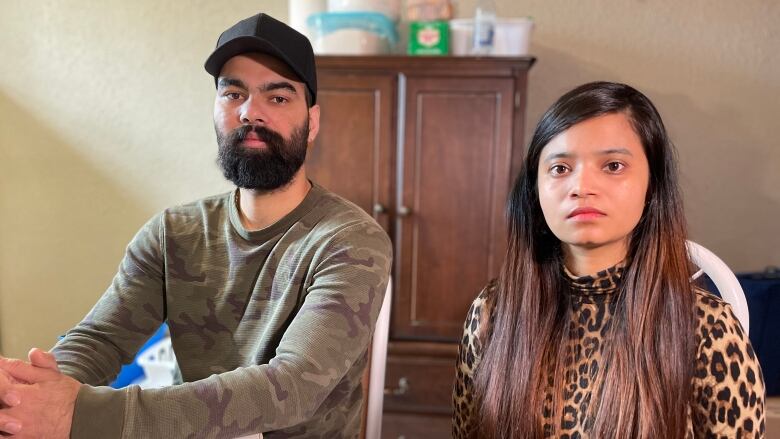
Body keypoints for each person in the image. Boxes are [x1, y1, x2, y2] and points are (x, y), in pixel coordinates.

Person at [0, 12, 392, 438]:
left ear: (312, 121)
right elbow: (101, 339)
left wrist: (81, 413)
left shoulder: (350, 240)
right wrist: (37, 392)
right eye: (233, 94)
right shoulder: (174, 232)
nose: (250, 113)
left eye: (277, 98)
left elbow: (293, 386)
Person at [452, 81, 766, 438]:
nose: (582, 186)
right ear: (534, 190)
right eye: (559, 168)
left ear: (653, 186)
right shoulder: (493, 312)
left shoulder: (705, 327)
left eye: (613, 165)